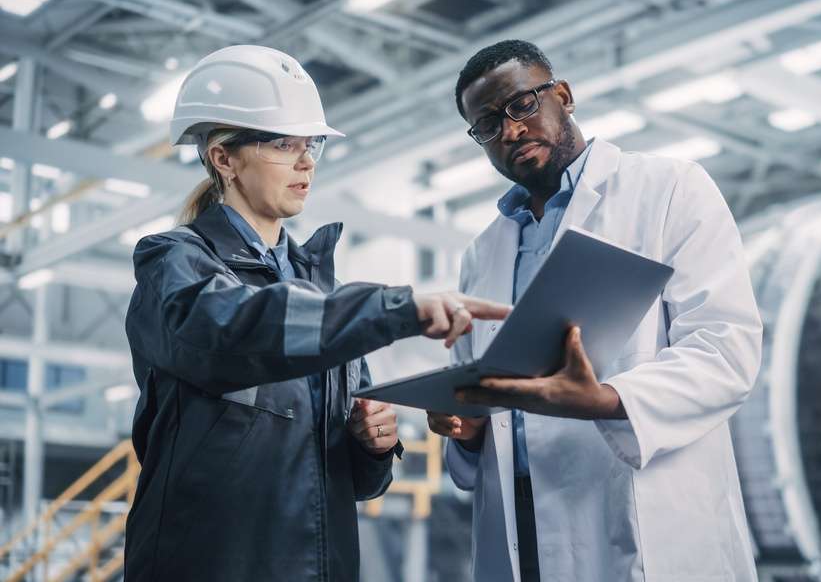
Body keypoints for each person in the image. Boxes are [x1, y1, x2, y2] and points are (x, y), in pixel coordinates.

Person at [123, 45, 509, 582]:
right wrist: (395, 307)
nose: (306, 161)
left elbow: (358, 483)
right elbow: (235, 329)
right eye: (284, 144)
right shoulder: (175, 263)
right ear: (224, 158)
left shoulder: (320, 289)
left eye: (312, 144)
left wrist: (371, 444)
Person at [427, 40, 763, 581]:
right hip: (524, 534)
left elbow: (726, 351)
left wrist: (608, 399)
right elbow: (485, 398)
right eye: (488, 124)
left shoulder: (669, 190)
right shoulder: (481, 254)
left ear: (563, 95)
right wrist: (465, 430)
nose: (511, 131)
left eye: (522, 105)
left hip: (642, 520)